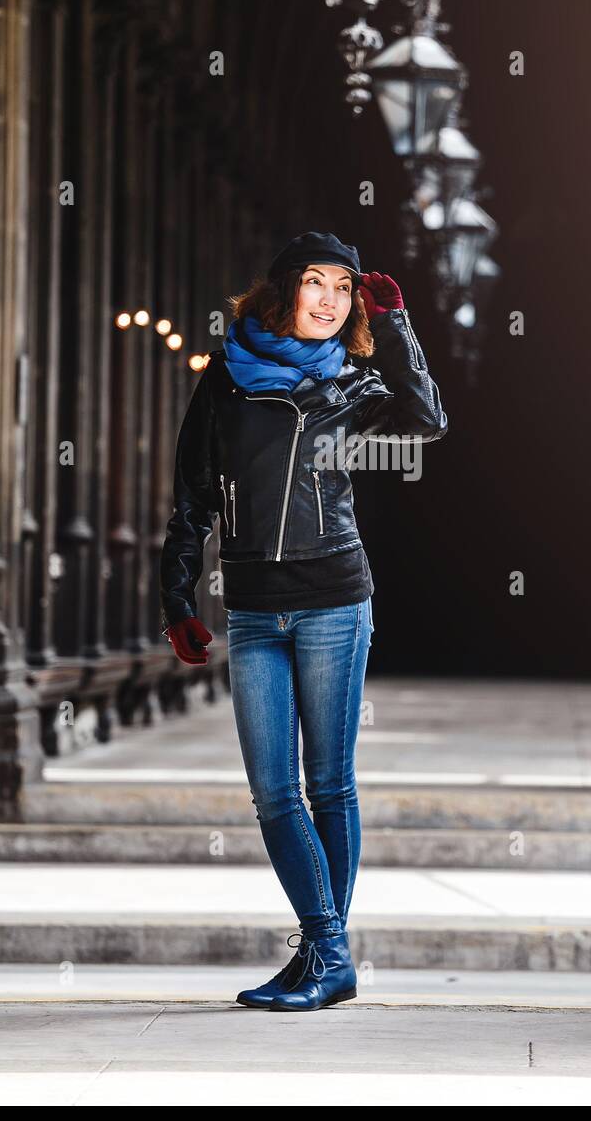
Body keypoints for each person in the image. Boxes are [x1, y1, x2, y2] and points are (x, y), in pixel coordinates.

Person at [159, 231, 448, 1011]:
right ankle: (327, 955)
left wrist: (397, 326)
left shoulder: (354, 387)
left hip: (334, 600)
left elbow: (428, 419)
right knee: (273, 792)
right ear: (282, 290)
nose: (328, 299)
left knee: (329, 785)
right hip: (252, 609)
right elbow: (190, 499)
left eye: (344, 288)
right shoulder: (224, 379)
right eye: (314, 282)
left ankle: (323, 954)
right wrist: (177, 599)